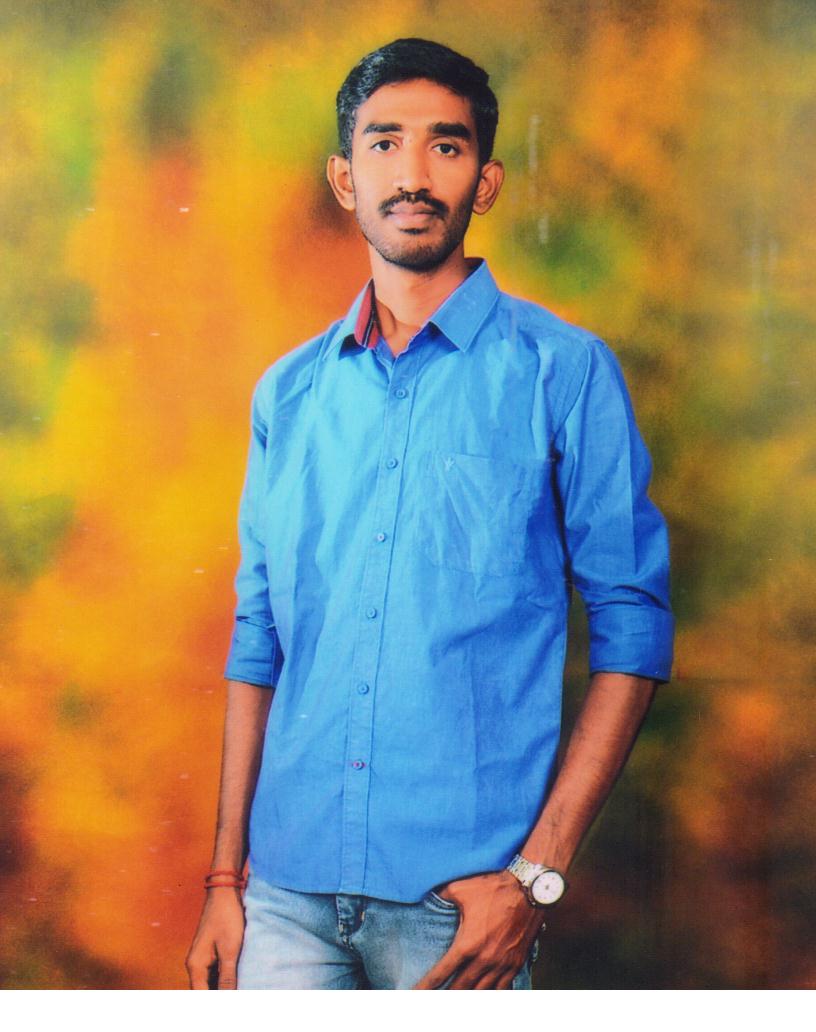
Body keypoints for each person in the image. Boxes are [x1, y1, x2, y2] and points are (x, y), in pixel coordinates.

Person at [185, 37, 673, 991]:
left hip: (460, 911)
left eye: (445, 146)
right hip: (283, 901)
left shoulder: (564, 372)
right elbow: (258, 637)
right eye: (384, 143)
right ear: (344, 178)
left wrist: (534, 879)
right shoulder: (287, 394)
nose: (412, 175)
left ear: (485, 182)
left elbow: (634, 626)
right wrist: (224, 881)